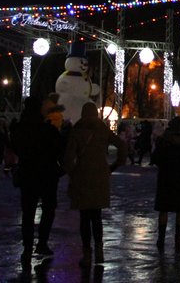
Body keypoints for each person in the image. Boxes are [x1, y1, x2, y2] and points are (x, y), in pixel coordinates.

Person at [63, 101, 128, 268]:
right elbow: (121, 145)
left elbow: (69, 158)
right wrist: (114, 165)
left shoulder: (77, 131)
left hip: (82, 176)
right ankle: (100, 252)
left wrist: (71, 172)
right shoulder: (103, 130)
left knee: (85, 217)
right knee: (97, 216)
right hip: (100, 176)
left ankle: (87, 253)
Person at [11, 96, 65, 269]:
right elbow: (59, 150)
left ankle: (27, 246)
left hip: (28, 174)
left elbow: (16, 147)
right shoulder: (48, 130)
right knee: (48, 208)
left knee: (28, 211)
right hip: (47, 175)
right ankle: (42, 242)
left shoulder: (20, 129)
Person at [152, 116, 180, 254]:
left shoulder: (163, 141)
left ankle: (161, 238)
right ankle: (178, 238)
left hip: (165, 177)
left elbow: (156, 158)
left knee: (163, 209)